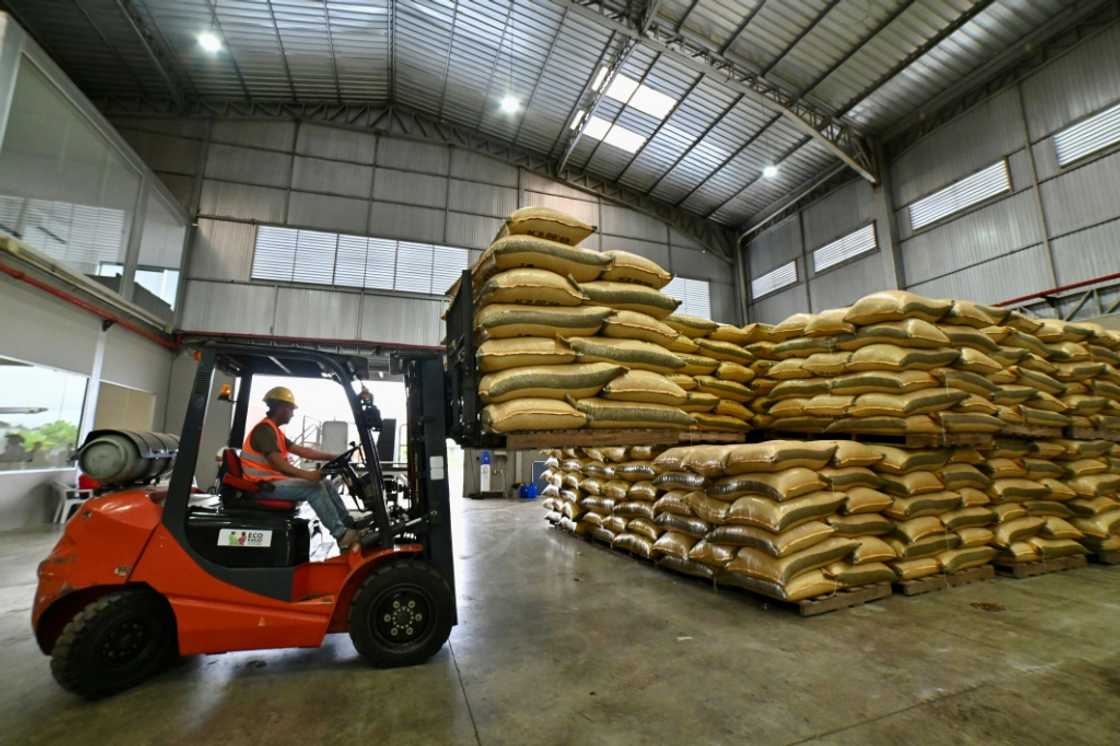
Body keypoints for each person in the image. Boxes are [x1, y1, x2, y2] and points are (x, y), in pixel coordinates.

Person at [240, 386, 363, 549]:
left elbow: (303, 451)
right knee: (314, 488)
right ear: (281, 408)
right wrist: (308, 475)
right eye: (291, 409)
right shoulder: (264, 430)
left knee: (326, 483)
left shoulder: (274, 430)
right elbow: (281, 465)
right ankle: (341, 534)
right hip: (262, 487)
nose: (292, 413)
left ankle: (349, 524)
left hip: (272, 483)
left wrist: (332, 456)